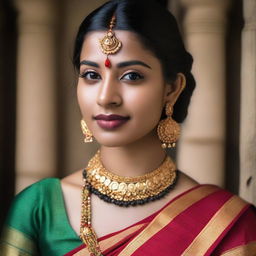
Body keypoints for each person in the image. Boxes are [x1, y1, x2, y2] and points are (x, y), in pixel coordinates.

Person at [1, 0, 256, 255]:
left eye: (132, 76)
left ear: (172, 88)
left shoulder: (225, 223)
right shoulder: (38, 208)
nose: (105, 97)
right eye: (91, 75)